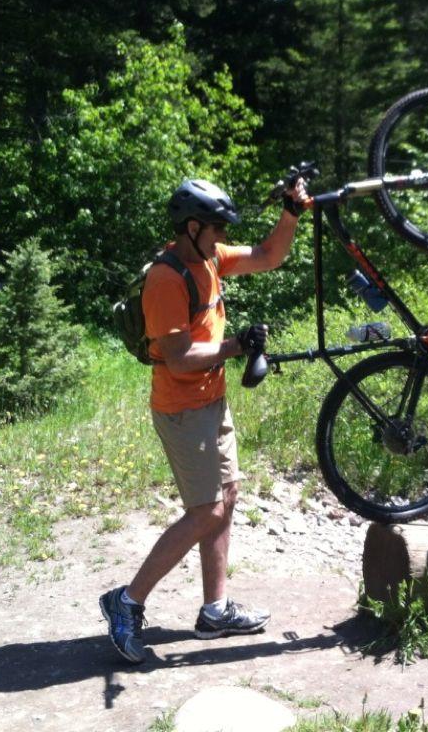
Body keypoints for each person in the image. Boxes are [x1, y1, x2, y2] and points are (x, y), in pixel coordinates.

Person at [99, 177, 308, 664]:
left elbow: (267, 255)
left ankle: (215, 610)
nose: (221, 235)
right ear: (192, 227)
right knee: (206, 511)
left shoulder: (209, 257)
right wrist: (237, 346)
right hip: (181, 409)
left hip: (212, 401)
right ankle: (125, 602)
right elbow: (177, 358)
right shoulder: (166, 280)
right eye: (216, 227)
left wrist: (291, 214)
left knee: (227, 497)